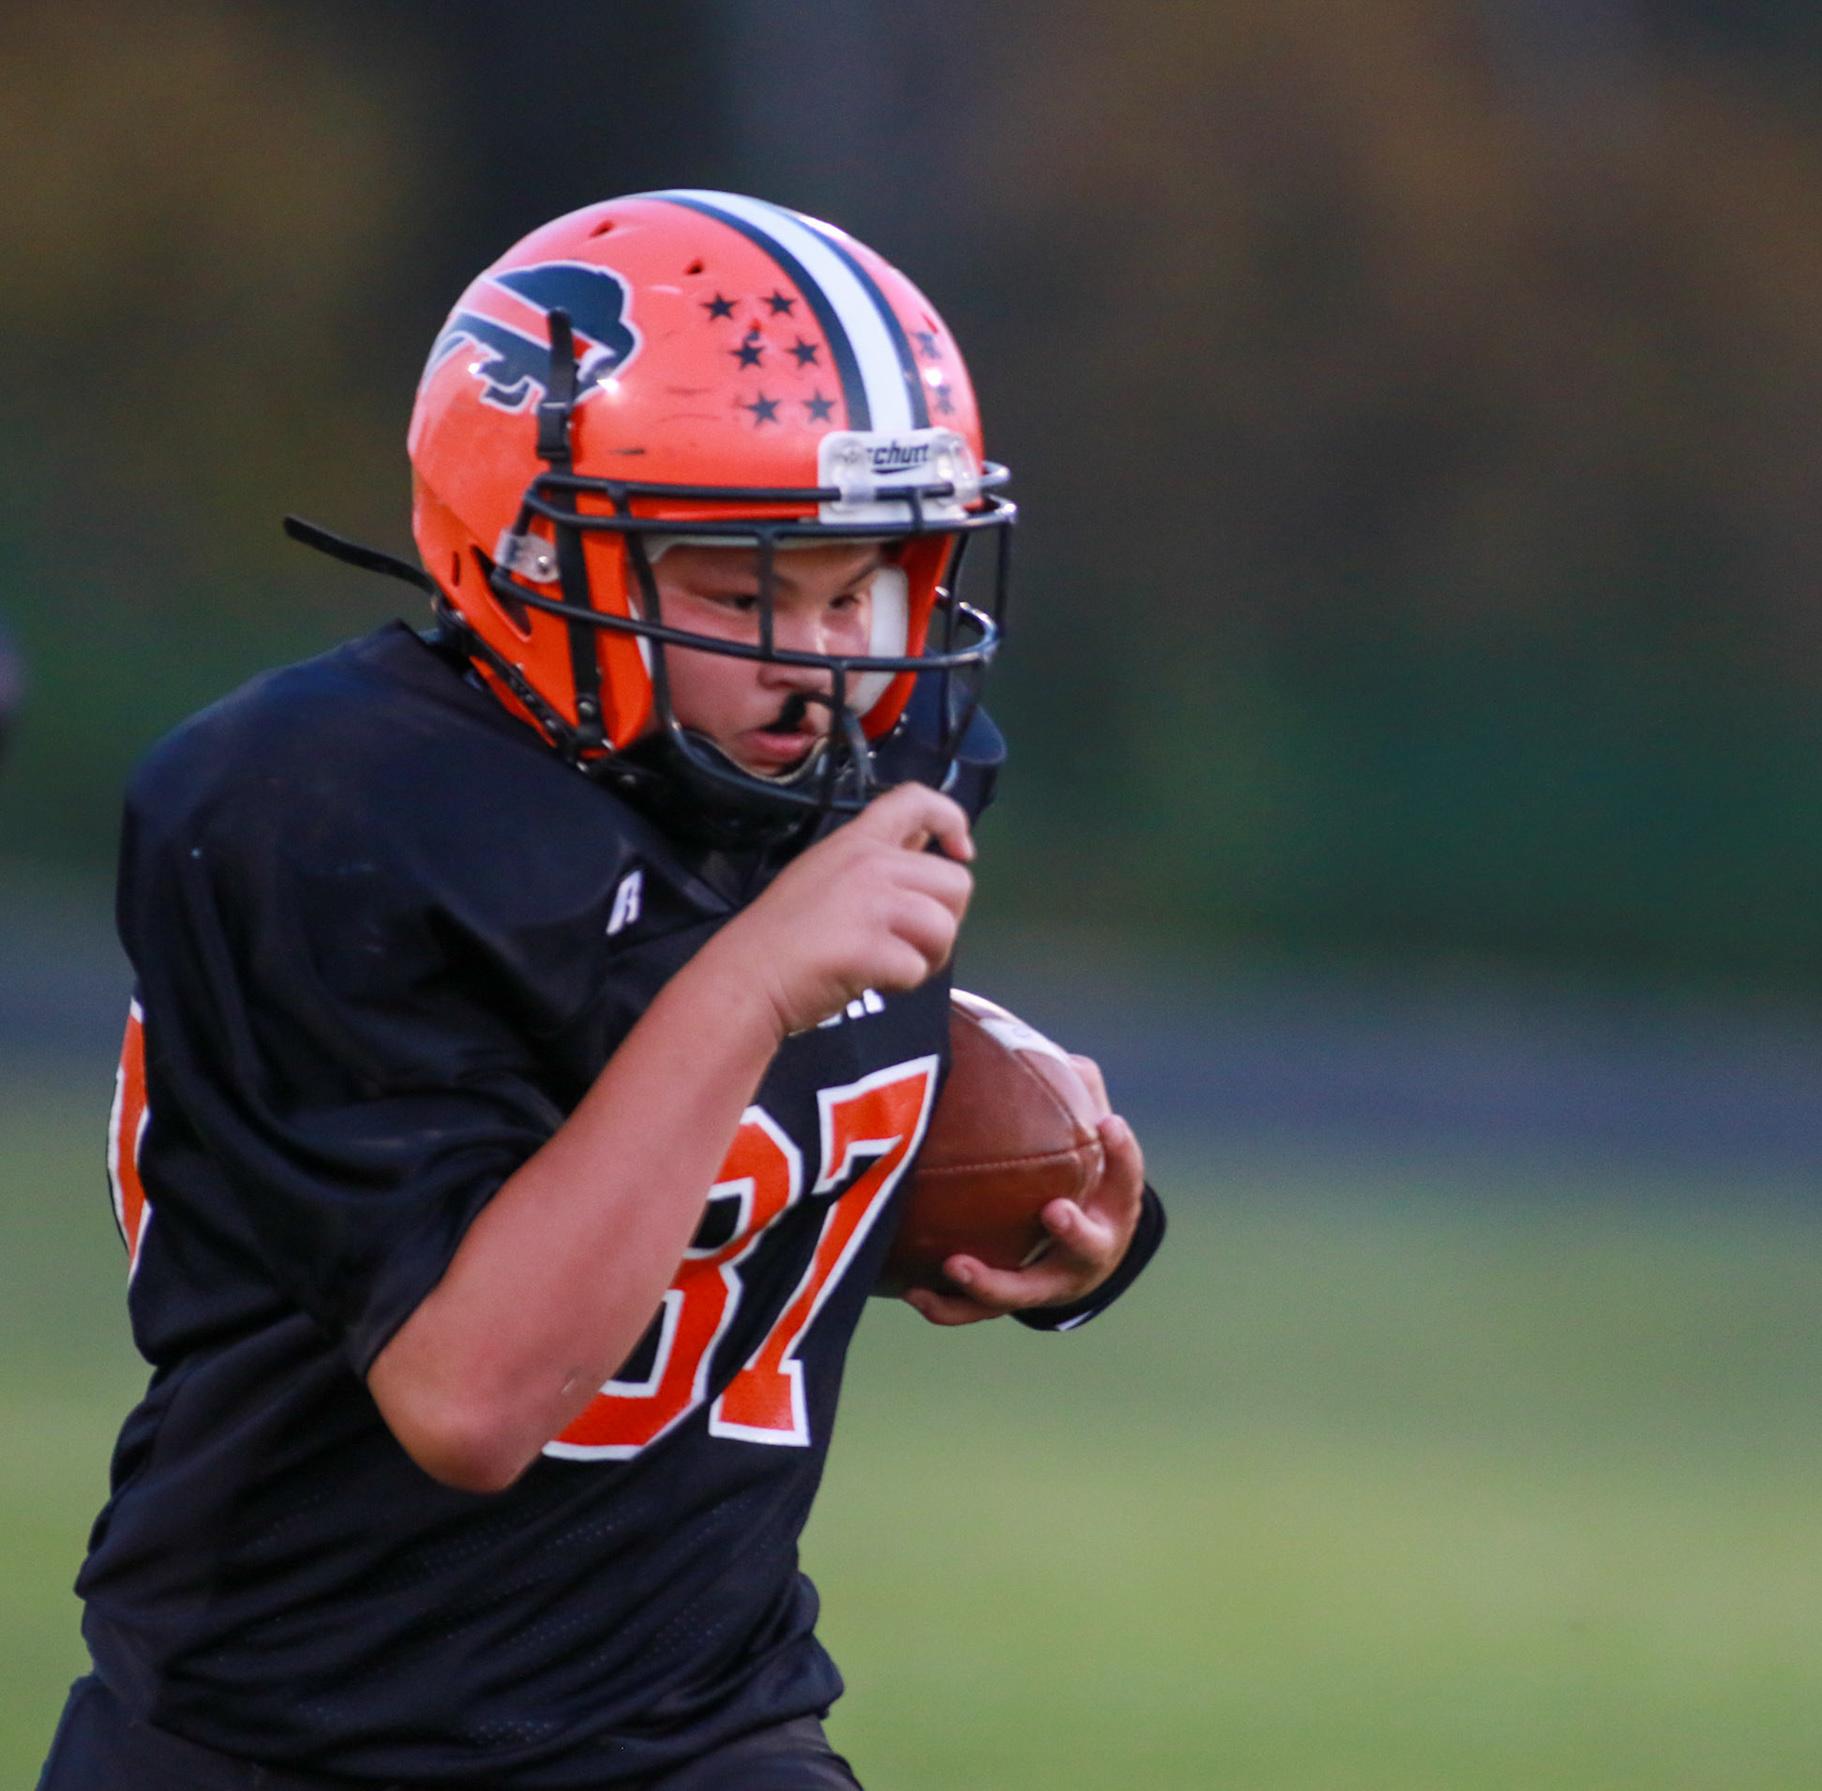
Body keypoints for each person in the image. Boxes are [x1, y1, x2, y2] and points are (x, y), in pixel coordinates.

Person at [39, 191, 1164, 1790]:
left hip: (703, 1721)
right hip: (294, 1729)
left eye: (861, 586)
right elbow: (469, 1397)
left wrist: (1048, 1229)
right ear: (533, 553)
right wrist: (755, 986)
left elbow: (753, 1108)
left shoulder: (862, 755)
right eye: (743, 592)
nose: (827, 657)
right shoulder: (329, 812)